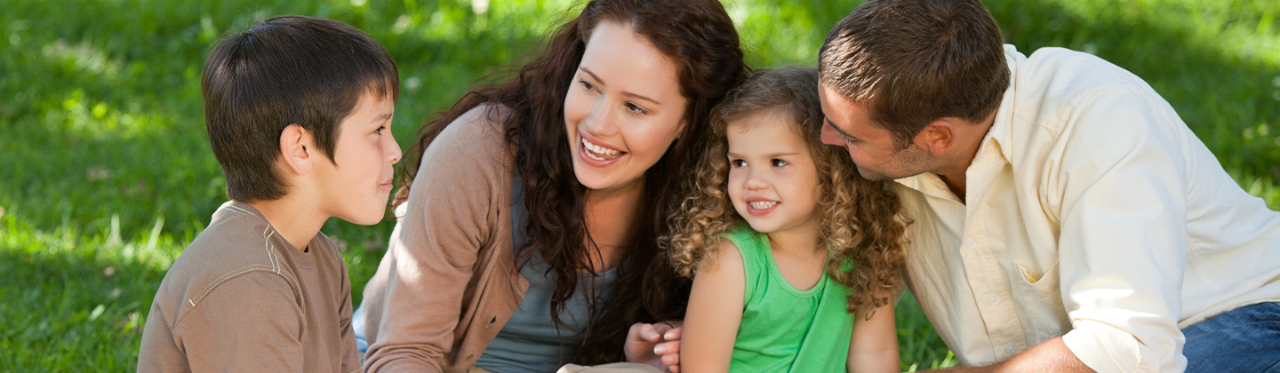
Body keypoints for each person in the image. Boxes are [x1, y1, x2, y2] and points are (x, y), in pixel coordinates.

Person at [815, 0, 1280, 372]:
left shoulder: (1098, 121)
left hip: (1240, 320)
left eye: (850, 135)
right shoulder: (898, 135)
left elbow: (1129, 353)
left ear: (939, 136)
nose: (826, 138)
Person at [356, 0, 747, 371]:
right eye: (590, 85)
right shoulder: (477, 155)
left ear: (689, 122)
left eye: (635, 107)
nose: (597, 124)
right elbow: (404, 352)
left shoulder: (714, 199)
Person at [137, 16, 402, 372]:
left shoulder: (321, 257)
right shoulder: (248, 280)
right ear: (301, 148)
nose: (395, 150)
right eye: (378, 129)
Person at [664, 67, 905, 373]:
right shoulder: (732, 261)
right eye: (739, 162)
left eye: (777, 162)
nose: (752, 181)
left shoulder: (862, 257)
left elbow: (875, 358)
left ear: (830, 169)